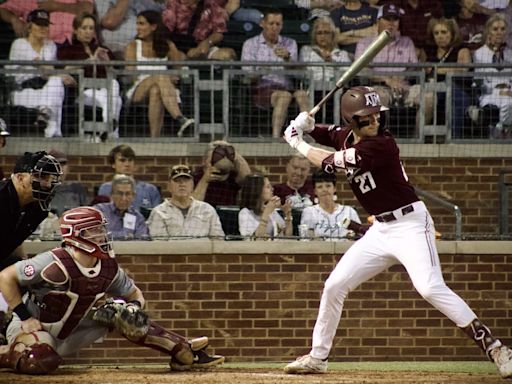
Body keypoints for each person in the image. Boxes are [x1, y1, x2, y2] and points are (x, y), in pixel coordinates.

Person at [281, 86, 512, 379]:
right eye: (366, 117)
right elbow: (331, 134)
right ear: (353, 122)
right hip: (380, 230)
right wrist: (310, 126)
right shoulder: (348, 135)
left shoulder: (381, 145)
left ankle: (496, 348)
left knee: (429, 287)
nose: (374, 121)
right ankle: (318, 357)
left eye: (377, 115)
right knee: (334, 286)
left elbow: (328, 162)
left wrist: (296, 141)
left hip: (411, 225)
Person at [0, 206, 225, 374]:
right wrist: (25, 316)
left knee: (122, 312)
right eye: (94, 231)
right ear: (77, 236)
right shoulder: (53, 261)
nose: (102, 235)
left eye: (101, 229)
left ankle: (182, 350)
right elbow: (5, 276)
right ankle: (6, 352)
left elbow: (135, 295)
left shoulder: (108, 267)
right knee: (39, 359)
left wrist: (133, 309)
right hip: (33, 327)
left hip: (71, 329)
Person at [241, 8, 311, 138]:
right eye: (271, 24)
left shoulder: (290, 44)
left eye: (278, 24)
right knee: (284, 96)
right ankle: (275, 138)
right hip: (262, 88)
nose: (274, 28)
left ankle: (307, 136)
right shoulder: (250, 44)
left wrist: (288, 59)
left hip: (286, 86)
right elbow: (247, 74)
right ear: (263, 24)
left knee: (302, 95)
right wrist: (263, 70)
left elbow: (298, 73)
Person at [124, 10, 194, 138]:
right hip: (138, 88)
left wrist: (175, 75)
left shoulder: (167, 45)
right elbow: (131, 75)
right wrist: (160, 77)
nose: (138, 27)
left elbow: (179, 68)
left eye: (142, 24)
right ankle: (180, 117)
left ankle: (154, 138)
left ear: (153, 27)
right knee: (160, 77)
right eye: (137, 24)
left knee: (156, 90)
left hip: (163, 88)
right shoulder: (133, 46)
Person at [6, 9, 75, 138]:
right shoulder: (19, 44)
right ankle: (54, 133)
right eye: (39, 24)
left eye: (45, 25)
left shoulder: (51, 45)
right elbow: (41, 65)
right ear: (30, 26)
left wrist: (60, 75)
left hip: (42, 91)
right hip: (23, 92)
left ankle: (45, 117)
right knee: (55, 89)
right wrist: (62, 74)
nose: (43, 28)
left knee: (55, 83)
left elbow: (48, 72)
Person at [57, 12, 123, 140]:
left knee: (113, 86)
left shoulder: (102, 49)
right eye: (84, 28)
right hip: (83, 93)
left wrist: (107, 62)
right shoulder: (68, 49)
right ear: (75, 30)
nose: (88, 32)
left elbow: (115, 73)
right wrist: (90, 60)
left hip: (104, 90)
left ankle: (107, 126)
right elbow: (64, 69)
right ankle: (111, 130)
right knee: (113, 99)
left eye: (91, 28)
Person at [0, 151, 62, 271]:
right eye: (42, 176)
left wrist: (25, 267)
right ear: (20, 178)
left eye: (50, 178)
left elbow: (14, 239)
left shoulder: (37, 207)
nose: (48, 185)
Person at [355, 4, 418, 109]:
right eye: (387, 19)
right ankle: (383, 126)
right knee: (379, 97)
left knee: (428, 97)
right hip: (377, 86)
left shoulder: (407, 42)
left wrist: (401, 77)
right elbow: (361, 69)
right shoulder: (365, 43)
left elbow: (414, 67)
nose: (391, 23)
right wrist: (387, 79)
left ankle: (419, 126)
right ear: (378, 21)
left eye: (395, 19)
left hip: (403, 86)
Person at [422, 17, 473, 138]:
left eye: (444, 32)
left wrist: (437, 69)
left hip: (460, 90)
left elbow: (462, 70)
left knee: (452, 92)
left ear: (452, 33)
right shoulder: (429, 52)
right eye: (436, 33)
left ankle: (454, 140)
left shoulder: (462, 50)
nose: (440, 36)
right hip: (433, 91)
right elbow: (424, 70)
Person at [147, 164, 225, 240]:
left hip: (202, 251)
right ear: (169, 186)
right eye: (177, 181)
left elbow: (218, 240)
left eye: (186, 181)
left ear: (192, 185)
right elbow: (158, 245)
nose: (182, 184)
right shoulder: (159, 212)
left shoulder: (207, 210)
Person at [473, 12, 512, 139]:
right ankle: (502, 133)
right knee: (507, 103)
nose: (499, 32)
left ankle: (499, 132)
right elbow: (477, 82)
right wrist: (498, 92)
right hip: (489, 94)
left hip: (509, 91)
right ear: (488, 31)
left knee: (509, 101)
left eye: (502, 29)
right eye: (495, 29)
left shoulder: (510, 53)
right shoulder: (479, 53)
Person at [162, 0, 236, 61]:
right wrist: (173, 49)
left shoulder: (212, 5)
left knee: (228, 55)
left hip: (203, 45)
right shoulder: (174, 3)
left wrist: (208, 42)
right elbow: (164, 33)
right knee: (178, 57)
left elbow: (219, 33)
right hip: (178, 45)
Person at [98, 144, 161, 213]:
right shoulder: (105, 189)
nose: (127, 164)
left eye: (130, 160)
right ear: (113, 164)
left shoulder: (150, 190)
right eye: (122, 160)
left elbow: (157, 217)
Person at [300, 170, 361, 240]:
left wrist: (351, 235)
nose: (324, 189)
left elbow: (359, 236)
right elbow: (306, 239)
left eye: (328, 186)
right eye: (320, 187)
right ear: (315, 191)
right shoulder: (309, 212)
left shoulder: (349, 211)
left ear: (334, 188)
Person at [0, 0, 94, 45]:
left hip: (78, 41)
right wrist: (14, 20)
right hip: (45, 45)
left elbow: (88, 9)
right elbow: (2, 9)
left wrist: (57, 6)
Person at [96, 0, 165, 59]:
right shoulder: (101, 2)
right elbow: (110, 22)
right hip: (115, 50)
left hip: (146, 48)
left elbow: (160, 18)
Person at [193, 140, 251, 208]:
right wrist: (205, 180)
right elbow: (193, 204)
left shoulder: (231, 177)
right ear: (204, 160)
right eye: (215, 158)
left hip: (226, 216)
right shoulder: (196, 177)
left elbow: (248, 178)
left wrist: (233, 153)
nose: (218, 162)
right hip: (203, 215)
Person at [94, 174, 149, 240]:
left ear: (133, 196)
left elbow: (142, 240)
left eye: (128, 194)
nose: (124, 198)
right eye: (120, 194)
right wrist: (126, 236)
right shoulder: (99, 211)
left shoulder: (138, 218)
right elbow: (95, 236)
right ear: (112, 195)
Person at [238, 174, 293, 239]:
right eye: (268, 187)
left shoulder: (272, 211)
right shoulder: (245, 213)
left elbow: (287, 236)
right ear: (257, 190)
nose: (272, 189)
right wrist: (266, 213)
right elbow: (254, 240)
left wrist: (288, 215)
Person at [299, 16, 352, 83]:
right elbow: (303, 74)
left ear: (332, 35)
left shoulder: (342, 54)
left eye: (326, 32)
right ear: (314, 36)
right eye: (319, 33)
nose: (323, 36)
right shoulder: (306, 51)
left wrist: (332, 62)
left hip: (336, 90)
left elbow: (347, 76)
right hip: (312, 89)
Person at [46, 149, 89, 216]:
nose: (60, 169)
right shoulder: (40, 192)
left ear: (68, 168)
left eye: (63, 165)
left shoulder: (78, 189)